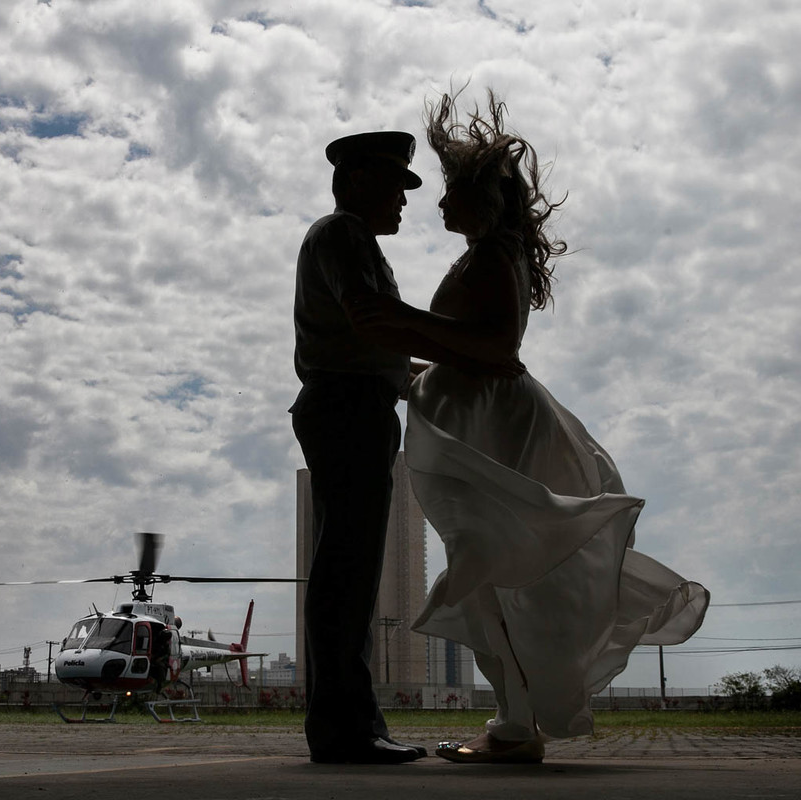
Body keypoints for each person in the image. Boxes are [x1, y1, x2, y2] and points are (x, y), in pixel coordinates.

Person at [351, 91, 710, 763]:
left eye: (453, 191)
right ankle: (513, 725)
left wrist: (401, 324)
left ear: (486, 199)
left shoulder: (494, 256)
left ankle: (516, 730)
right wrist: (408, 357)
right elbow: (466, 348)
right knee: (492, 573)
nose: (439, 202)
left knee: (496, 569)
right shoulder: (488, 254)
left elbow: (496, 348)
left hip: (496, 426)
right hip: (483, 419)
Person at [290, 130, 521, 765]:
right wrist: (470, 351)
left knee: (354, 571)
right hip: (347, 408)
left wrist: (430, 369)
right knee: (348, 572)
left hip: (357, 405)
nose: (404, 200)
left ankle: (353, 724)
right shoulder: (342, 233)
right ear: (357, 180)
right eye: (396, 186)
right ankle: (344, 731)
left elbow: (376, 345)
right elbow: (370, 317)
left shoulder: (357, 242)